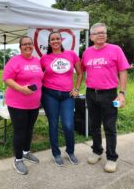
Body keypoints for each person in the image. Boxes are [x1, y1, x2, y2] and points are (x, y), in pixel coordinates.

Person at [81, 23, 130, 173]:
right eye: (97, 33)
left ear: (106, 35)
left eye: (103, 32)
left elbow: (123, 71)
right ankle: (97, 151)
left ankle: (111, 157)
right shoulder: (87, 52)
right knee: (94, 125)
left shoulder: (115, 49)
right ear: (91, 37)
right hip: (91, 93)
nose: (101, 35)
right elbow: (81, 70)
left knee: (109, 126)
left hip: (109, 94)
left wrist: (122, 93)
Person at [40, 31, 83, 166]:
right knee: (53, 124)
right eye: (52, 39)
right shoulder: (45, 58)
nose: (55, 41)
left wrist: (76, 89)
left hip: (67, 96)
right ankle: (56, 153)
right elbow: (37, 75)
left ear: (61, 40)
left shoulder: (71, 54)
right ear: (49, 42)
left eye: (57, 38)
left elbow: (80, 73)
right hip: (49, 94)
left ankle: (70, 152)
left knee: (68, 125)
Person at [2, 36, 44, 175]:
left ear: (33, 46)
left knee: (29, 129)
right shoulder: (14, 61)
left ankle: (26, 152)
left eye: (30, 44)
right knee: (20, 131)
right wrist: (21, 88)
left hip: (34, 104)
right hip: (17, 104)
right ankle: (18, 159)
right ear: (20, 47)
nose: (28, 46)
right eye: (25, 44)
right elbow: (7, 79)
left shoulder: (37, 61)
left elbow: (39, 79)